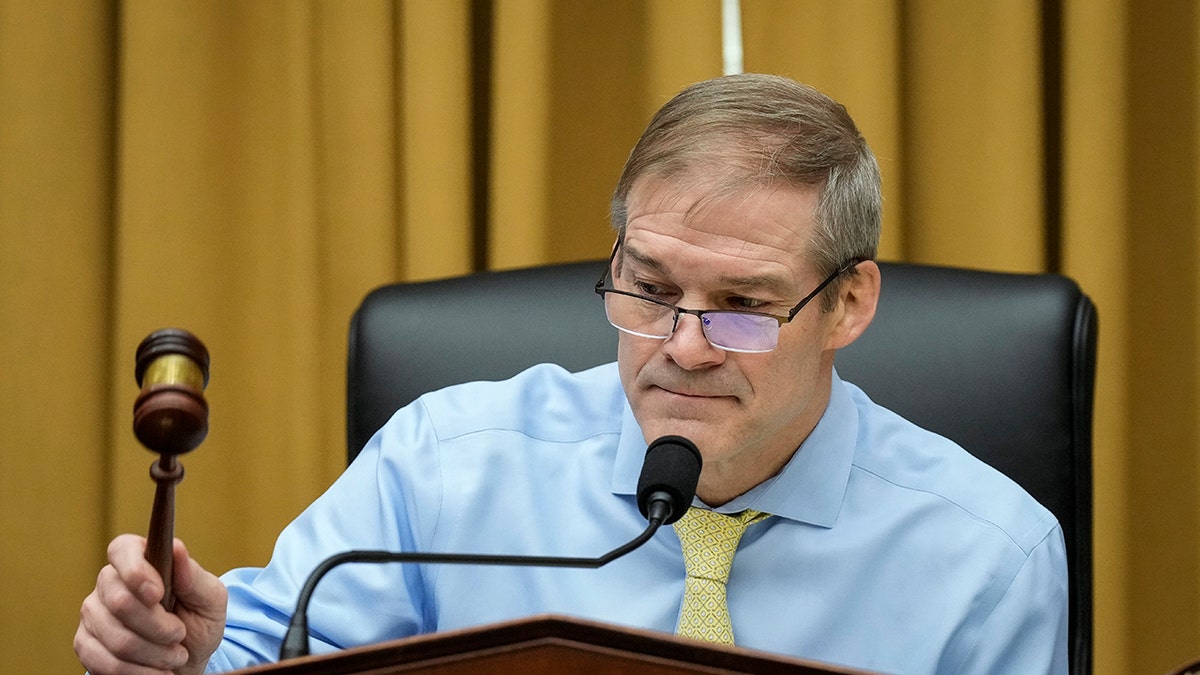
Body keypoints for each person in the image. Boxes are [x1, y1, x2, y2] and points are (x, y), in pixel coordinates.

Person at [75, 73, 1068, 675]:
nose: (683, 345)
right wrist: (185, 655)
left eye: (743, 306)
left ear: (849, 304)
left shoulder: (990, 557)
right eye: (648, 287)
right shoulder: (442, 467)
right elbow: (262, 656)